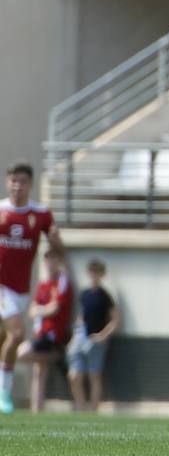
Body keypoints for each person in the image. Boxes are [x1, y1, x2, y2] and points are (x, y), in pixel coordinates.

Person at [0, 161, 63, 414]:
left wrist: (58, 241)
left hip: (22, 289)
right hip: (1, 287)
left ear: (30, 184)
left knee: (5, 340)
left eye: (22, 181)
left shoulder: (41, 215)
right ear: (7, 183)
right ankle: (4, 395)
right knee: (17, 334)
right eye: (13, 181)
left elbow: (57, 249)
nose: (17, 186)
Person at [17, 250, 71, 412]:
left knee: (21, 352)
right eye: (47, 260)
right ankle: (36, 410)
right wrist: (42, 309)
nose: (50, 263)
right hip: (39, 333)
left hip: (52, 334)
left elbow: (55, 308)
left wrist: (41, 310)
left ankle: (56, 355)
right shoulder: (43, 284)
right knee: (38, 373)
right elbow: (32, 310)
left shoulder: (62, 281)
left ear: (58, 261)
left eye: (53, 259)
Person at [66, 258, 119, 411]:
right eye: (91, 271)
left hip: (95, 340)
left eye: (97, 272)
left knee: (94, 376)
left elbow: (115, 319)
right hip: (80, 338)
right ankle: (81, 408)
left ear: (102, 274)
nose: (94, 275)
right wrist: (75, 335)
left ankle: (93, 411)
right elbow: (81, 316)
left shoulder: (105, 296)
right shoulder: (84, 294)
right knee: (74, 376)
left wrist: (103, 336)